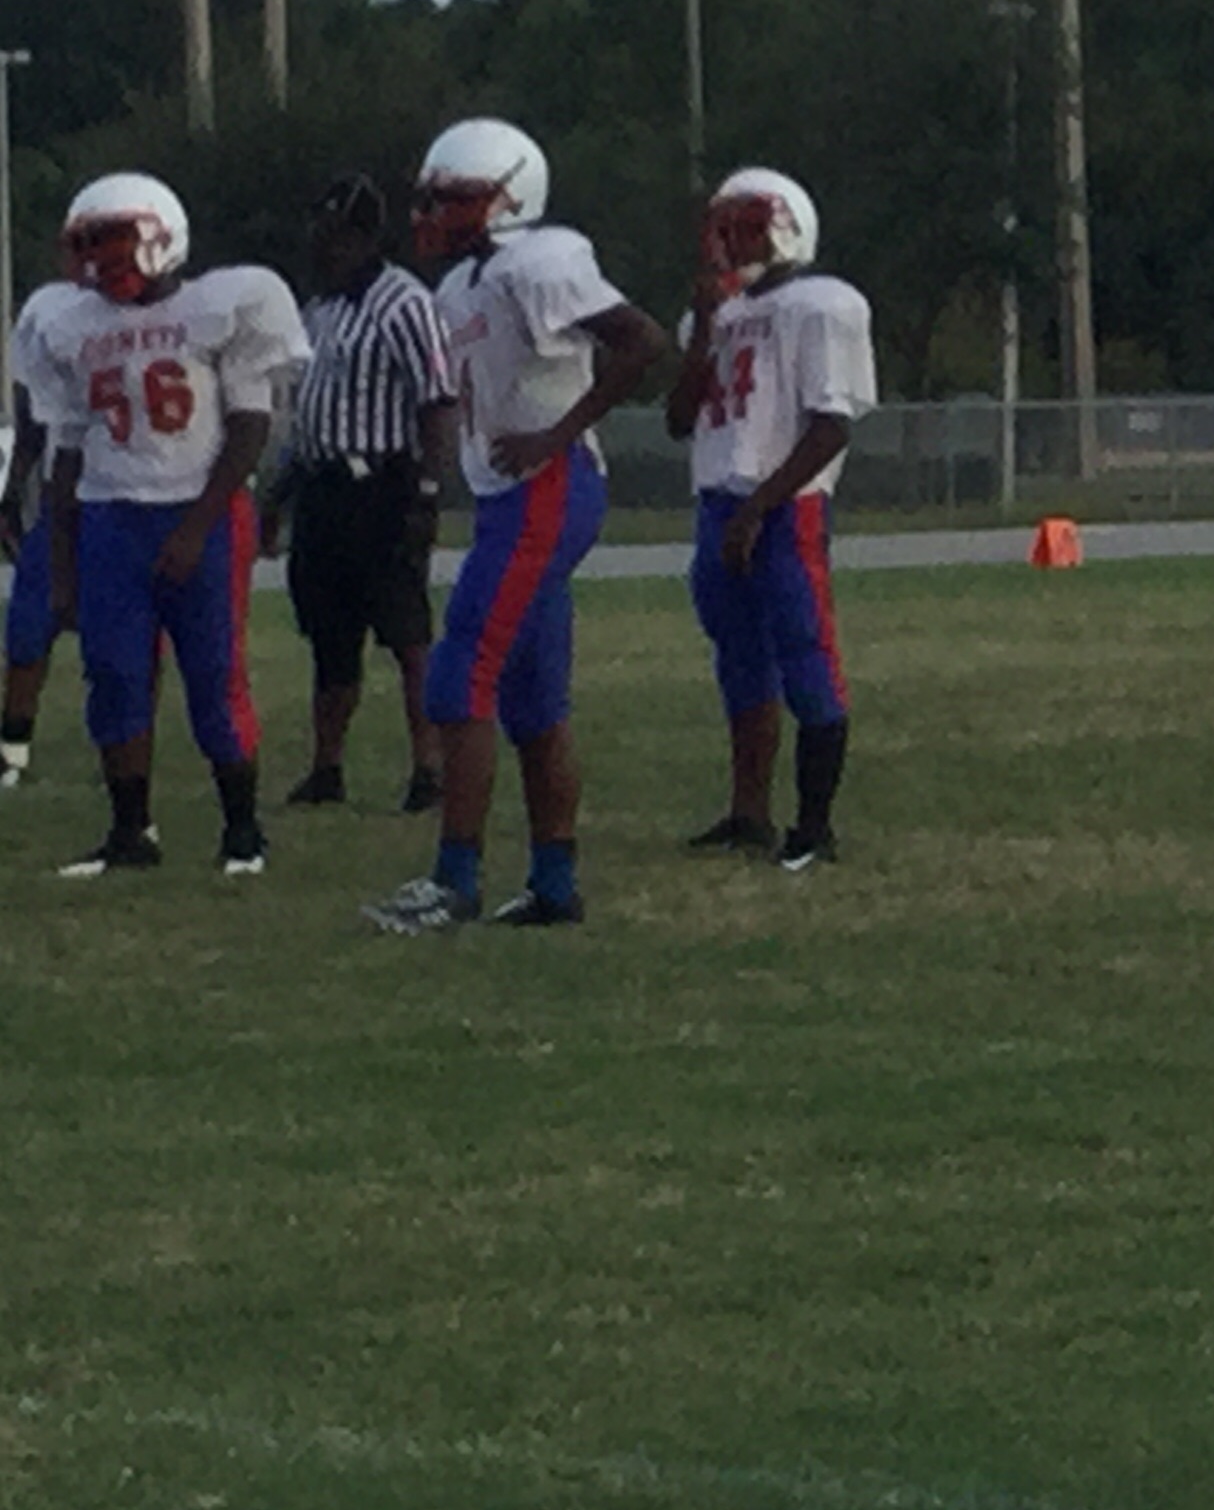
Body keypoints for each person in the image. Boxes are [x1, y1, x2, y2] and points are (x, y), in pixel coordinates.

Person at [364, 118, 668, 933]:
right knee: (533, 701)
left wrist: (556, 435)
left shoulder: (540, 259)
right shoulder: (460, 286)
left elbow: (641, 340)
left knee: (458, 675)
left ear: (509, 198)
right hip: (514, 494)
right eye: (433, 199)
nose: (435, 214)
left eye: (455, 199)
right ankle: (554, 885)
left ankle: (454, 881)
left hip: (547, 486)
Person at [25, 172, 310, 875]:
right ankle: (130, 833)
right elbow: (66, 450)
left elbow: (249, 426)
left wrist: (198, 523)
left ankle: (242, 831)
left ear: (161, 236)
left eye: (114, 240)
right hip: (109, 513)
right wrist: (62, 566)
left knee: (214, 674)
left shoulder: (219, 306)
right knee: (113, 673)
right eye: (91, 244)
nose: (102, 259)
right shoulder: (70, 324)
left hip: (198, 508)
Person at [660, 165, 875, 870]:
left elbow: (831, 427)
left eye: (747, 229)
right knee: (740, 661)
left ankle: (814, 828)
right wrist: (704, 330)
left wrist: (759, 507)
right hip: (719, 500)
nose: (732, 243)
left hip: (785, 504)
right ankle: (748, 814)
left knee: (806, 653)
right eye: (724, 229)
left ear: (788, 229)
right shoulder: (711, 315)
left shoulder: (821, 303)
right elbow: (678, 419)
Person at [260, 171, 458, 813]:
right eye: (322, 235)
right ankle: (327, 767)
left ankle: (430, 768)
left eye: (339, 236)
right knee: (330, 635)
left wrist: (426, 492)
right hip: (324, 489)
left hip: (382, 484)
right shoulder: (319, 311)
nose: (326, 247)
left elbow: (437, 400)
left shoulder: (404, 302)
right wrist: (277, 497)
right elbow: (310, 418)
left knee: (406, 633)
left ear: (368, 238)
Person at [2, 224, 101, 789]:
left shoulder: (146, 311)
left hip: (127, 497)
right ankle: (12, 750)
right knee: (27, 628)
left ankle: (128, 751)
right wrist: (13, 488)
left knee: (123, 638)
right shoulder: (47, 308)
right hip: (63, 499)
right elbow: (32, 414)